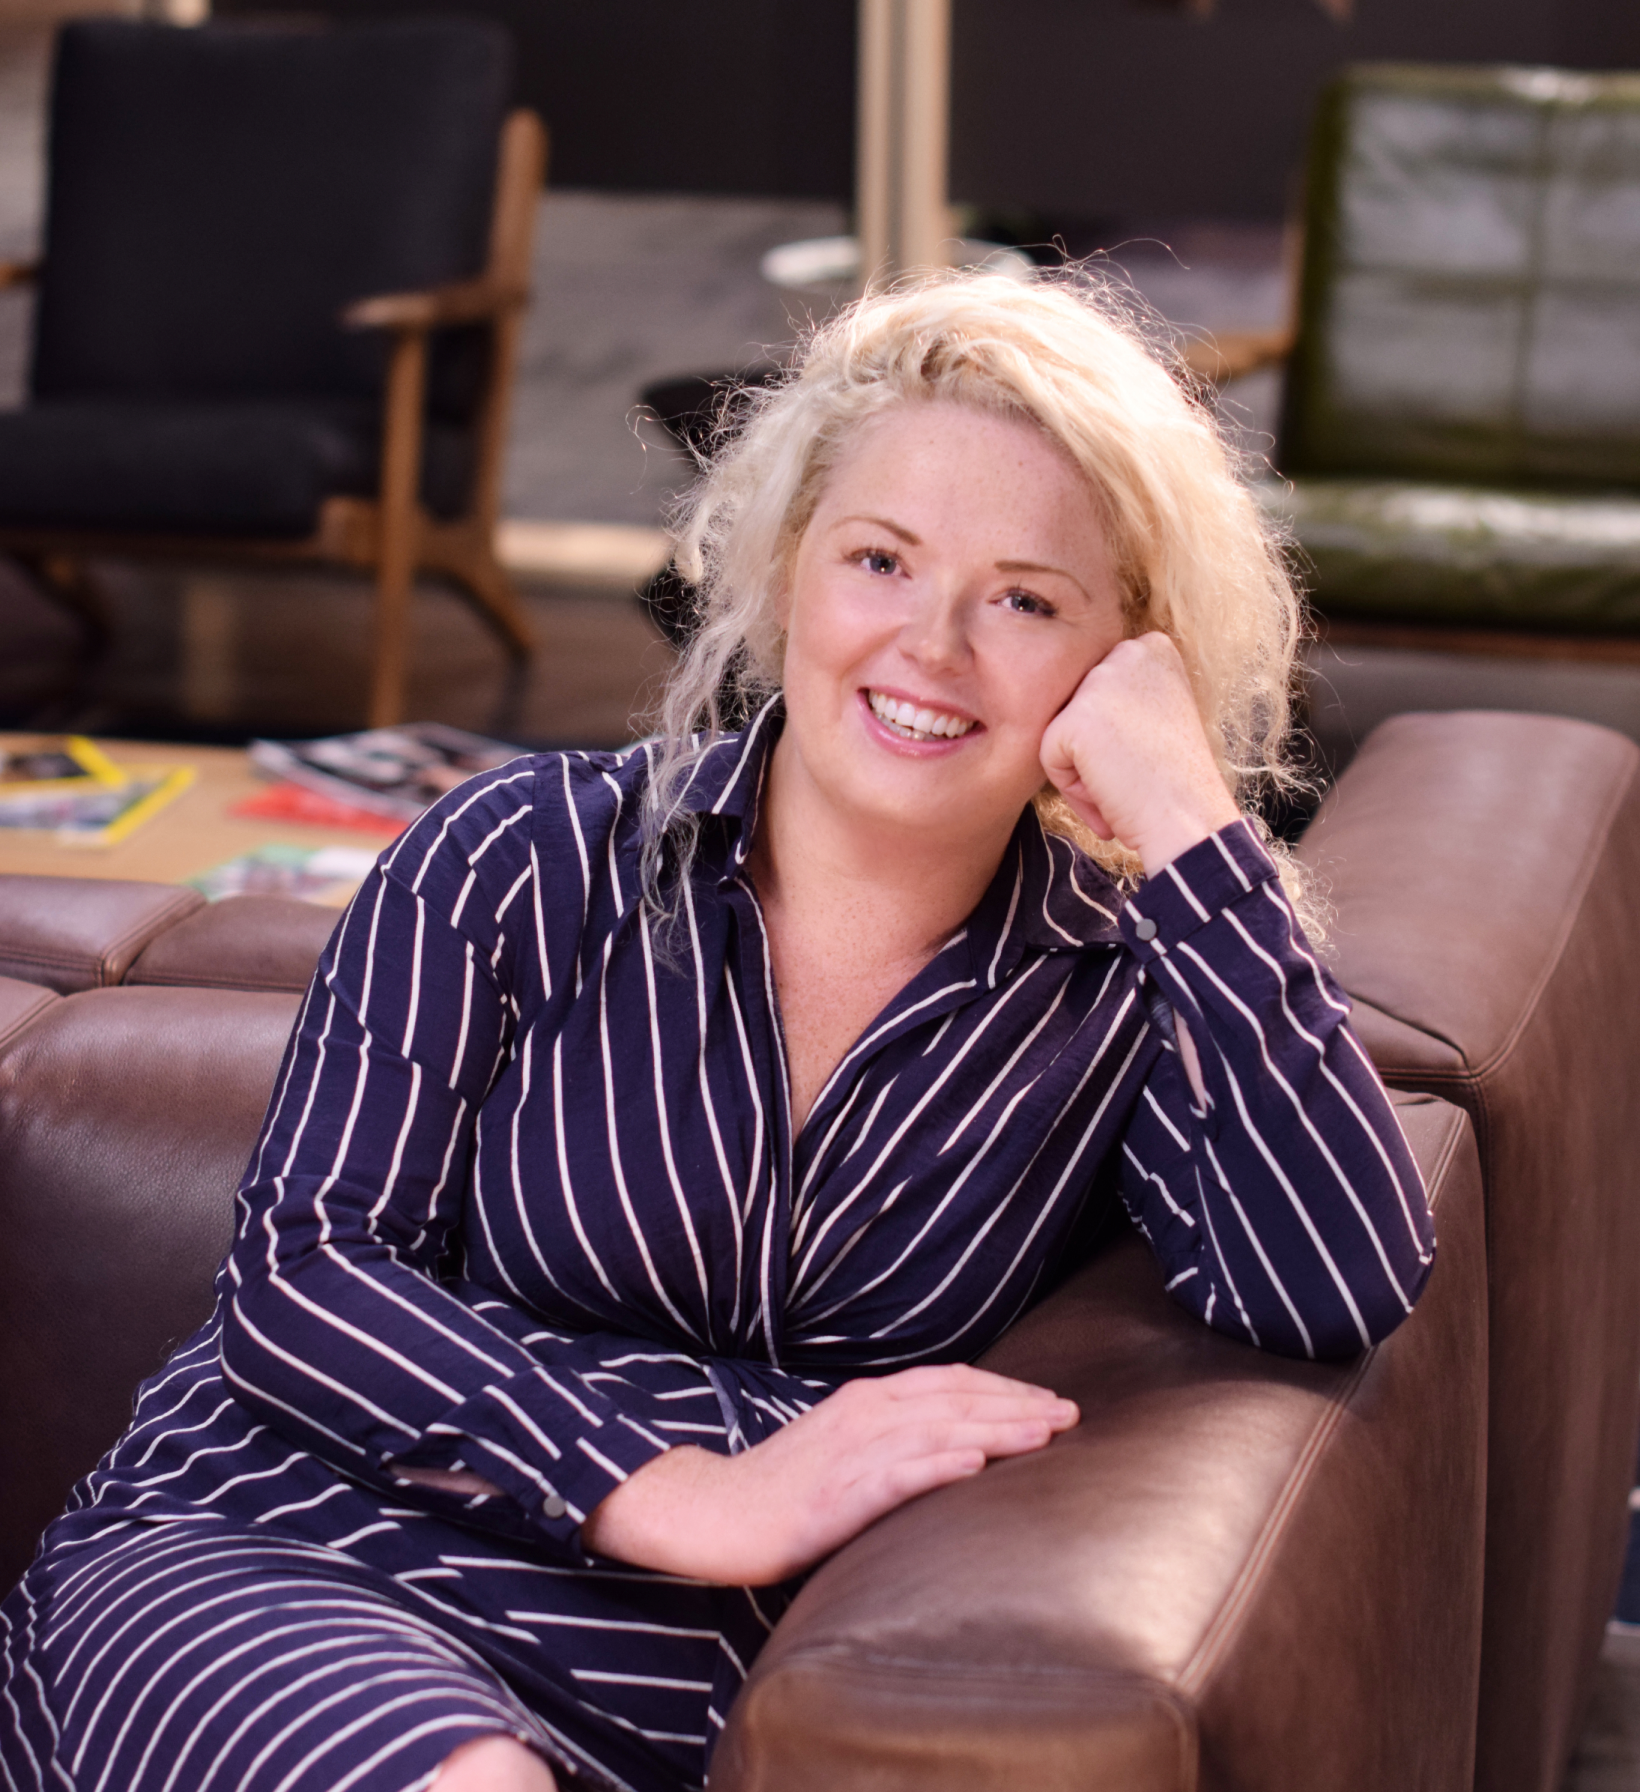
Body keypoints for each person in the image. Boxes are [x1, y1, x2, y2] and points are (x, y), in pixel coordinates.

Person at [0, 270, 1434, 1792]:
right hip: (288, 1556)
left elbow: (1336, 1281)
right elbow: (304, 1275)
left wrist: (1195, 826)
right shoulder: (516, 856)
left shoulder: (1123, 986)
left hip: (662, 1682)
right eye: (880, 560)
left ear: (1126, 658)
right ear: (787, 568)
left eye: (1026, 598)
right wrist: (668, 1488)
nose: (933, 644)